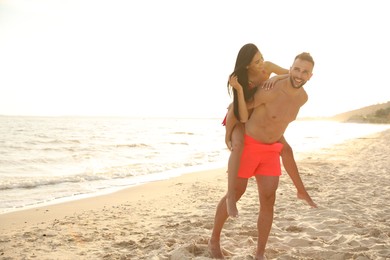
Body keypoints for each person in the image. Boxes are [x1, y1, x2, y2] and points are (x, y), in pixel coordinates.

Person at [209, 51, 315, 259]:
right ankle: (214, 239)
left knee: (268, 200)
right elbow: (237, 111)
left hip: (270, 151)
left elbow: (279, 121)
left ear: (311, 76)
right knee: (237, 193)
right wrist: (228, 135)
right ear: (291, 68)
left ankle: (260, 254)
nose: (299, 75)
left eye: (305, 72)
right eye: (296, 69)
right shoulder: (271, 88)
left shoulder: (303, 98)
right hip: (248, 145)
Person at [223, 44, 316, 218]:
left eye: (261, 58)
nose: (261, 63)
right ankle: (230, 197)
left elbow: (291, 74)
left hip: (257, 115)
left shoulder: (268, 68)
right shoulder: (239, 78)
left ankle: (302, 191)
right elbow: (235, 114)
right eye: (257, 61)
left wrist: (276, 78)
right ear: (247, 65)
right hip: (239, 113)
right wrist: (227, 135)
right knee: (237, 145)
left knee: (287, 150)